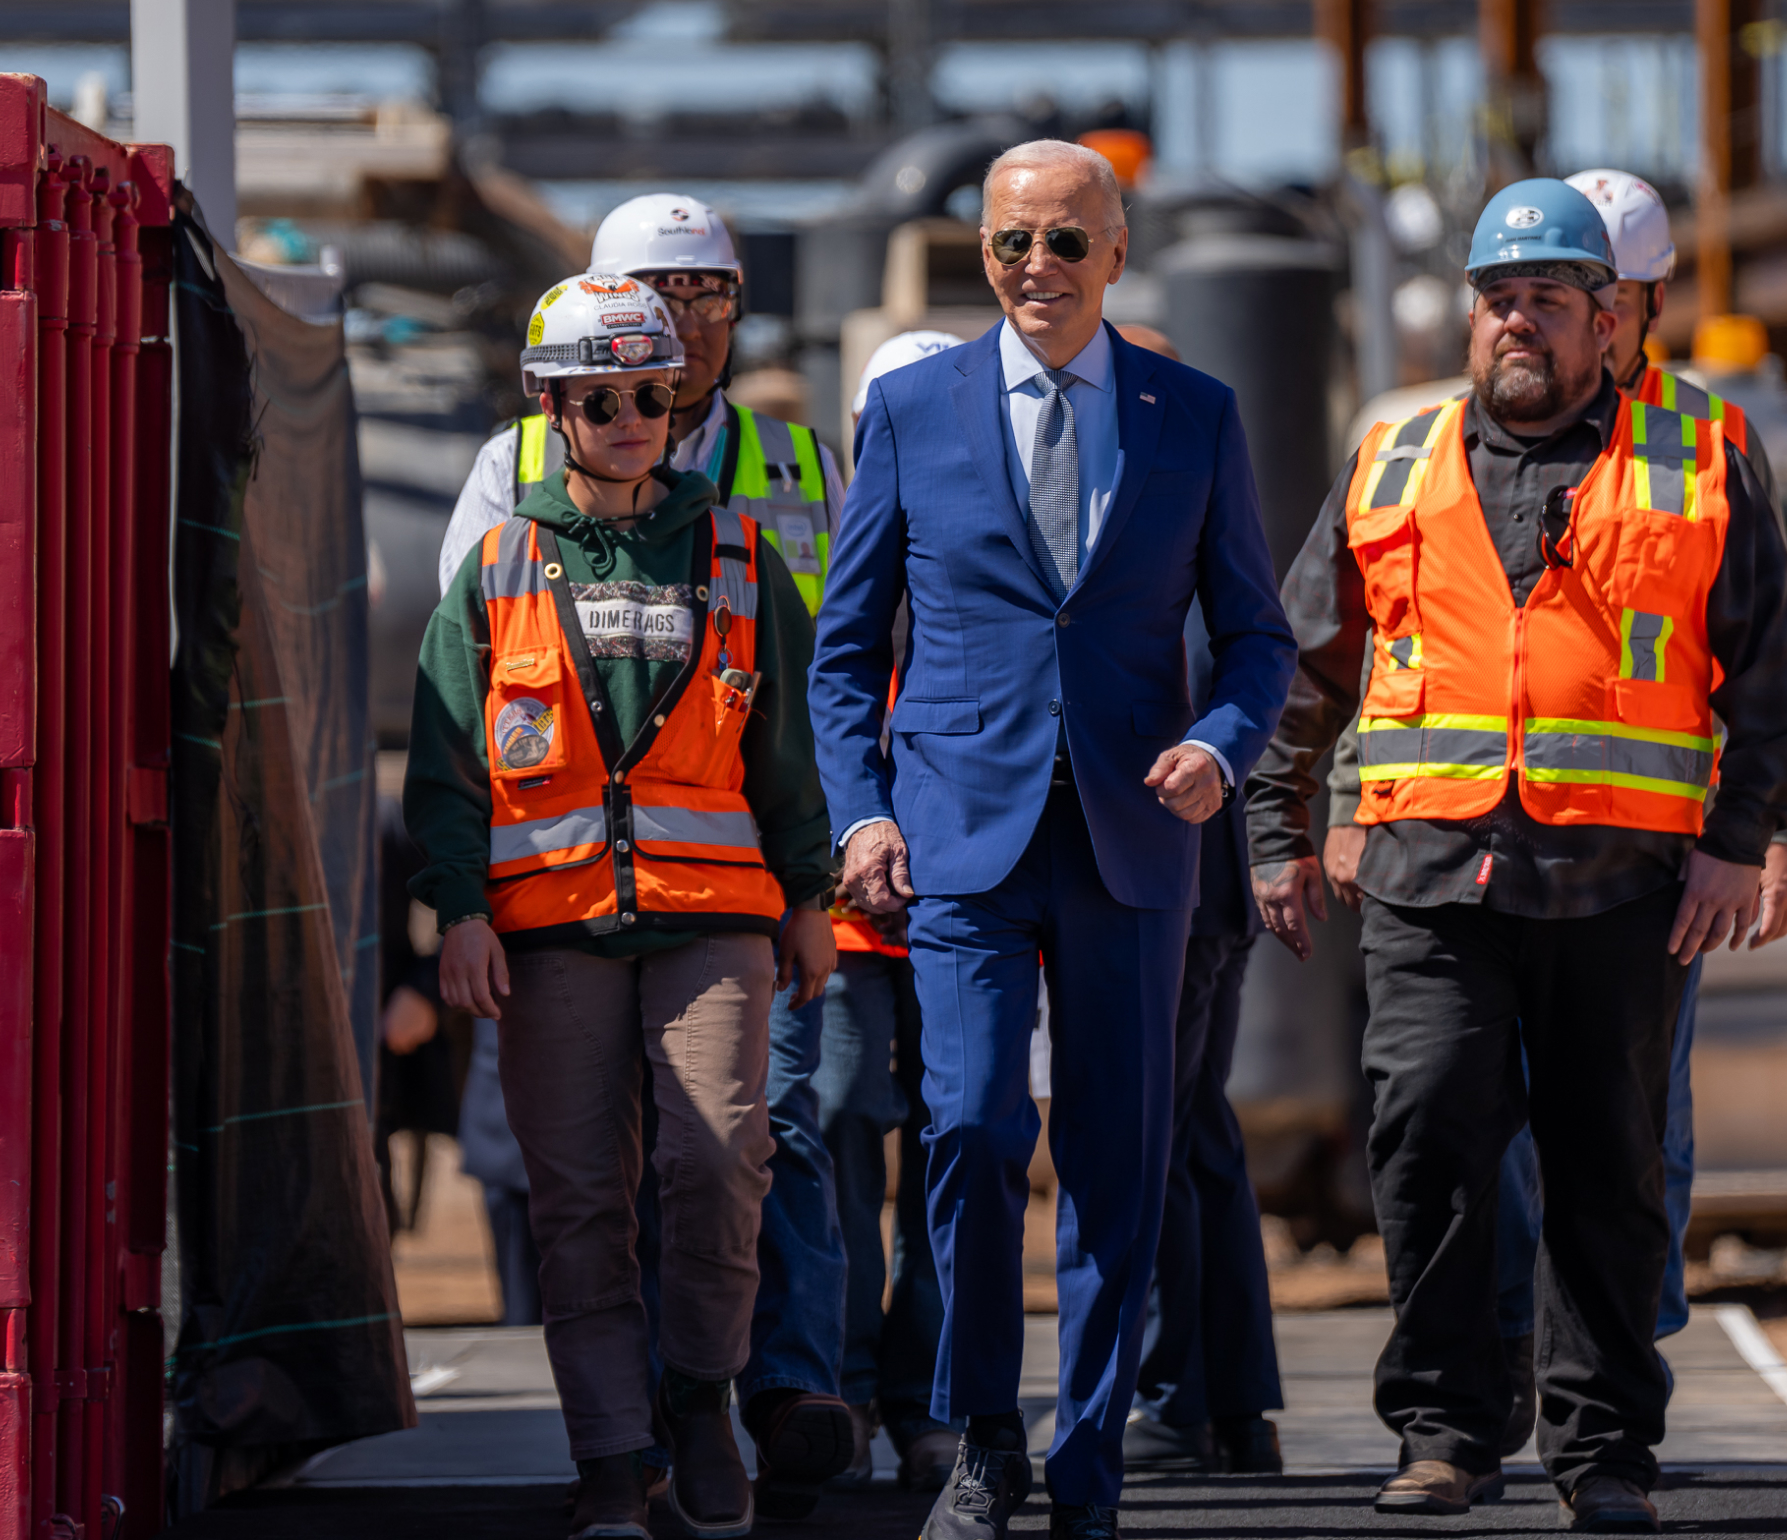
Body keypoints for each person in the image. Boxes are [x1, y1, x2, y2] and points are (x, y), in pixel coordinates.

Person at [1244, 178, 1787, 1532]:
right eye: (1499, 298)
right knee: (1427, 1140)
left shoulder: (1703, 450)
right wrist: (1278, 826)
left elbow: (1776, 673)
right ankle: (1446, 1431)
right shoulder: (1396, 458)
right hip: (1431, 877)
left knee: (1607, 1168)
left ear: (1608, 320)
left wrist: (1744, 841)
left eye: (1548, 301)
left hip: (1623, 885)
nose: (1517, 323)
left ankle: (1604, 1450)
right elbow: (1301, 665)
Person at [809, 139, 1297, 1540]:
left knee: (1117, 1159)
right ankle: (979, 1440)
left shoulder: (1194, 417)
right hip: (960, 837)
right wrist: (862, 809)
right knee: (964, 1132)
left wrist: (1220, 741)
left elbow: (1258, 635)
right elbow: (845, 653)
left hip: (1135, 837)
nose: (1039, 267)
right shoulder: (911, 410)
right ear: (982, 251)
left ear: (1117, 252)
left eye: (1067, 242)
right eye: (1015, 241)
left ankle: (1086, 1467)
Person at [439, 194, 860, 1521]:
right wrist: (454, 909)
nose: (632, 417)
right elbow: (447, 746)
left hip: (713, 910)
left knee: (725, 1156)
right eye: (602, 397)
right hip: (552, 919)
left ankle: (711, 1393)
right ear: (553, 405)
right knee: (576, 1197)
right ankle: (613, 1459)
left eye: (654, 397)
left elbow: (791, 735)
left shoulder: (747, 533)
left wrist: (809, 895)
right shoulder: (499, 543)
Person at [1114, 326, 1285, 1479]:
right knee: (1197, 1134)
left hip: (1171, 874)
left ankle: (1179, 1399)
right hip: (1202, 873)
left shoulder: (1140, 503)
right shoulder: (1187, 479)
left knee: (1153, 1138)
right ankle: (1233, 1404)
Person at [820, 330, 968, 1495]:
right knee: (826, 1132)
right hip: (850, 916)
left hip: (964, 908)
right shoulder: (831, 550)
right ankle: (837, 1383)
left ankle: (924, 1398)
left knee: (947, 1153)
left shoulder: (995, 546)